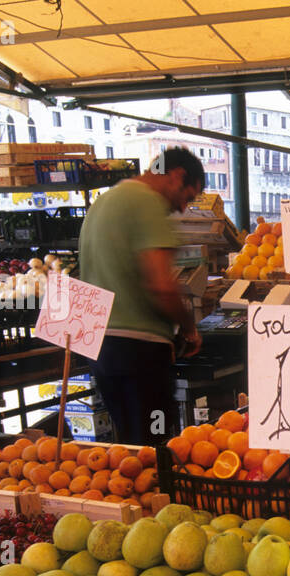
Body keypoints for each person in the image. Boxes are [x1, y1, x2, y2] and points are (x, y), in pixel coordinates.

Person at [78, 146, 205, 445]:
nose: (183, 208)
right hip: (139, 352)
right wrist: (188, 329)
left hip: (100, 347)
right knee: (154, 446)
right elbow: (161, 284)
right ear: (176, 175)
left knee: (129, 448)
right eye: (188, 197)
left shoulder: (103, 202)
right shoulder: (147, 203)